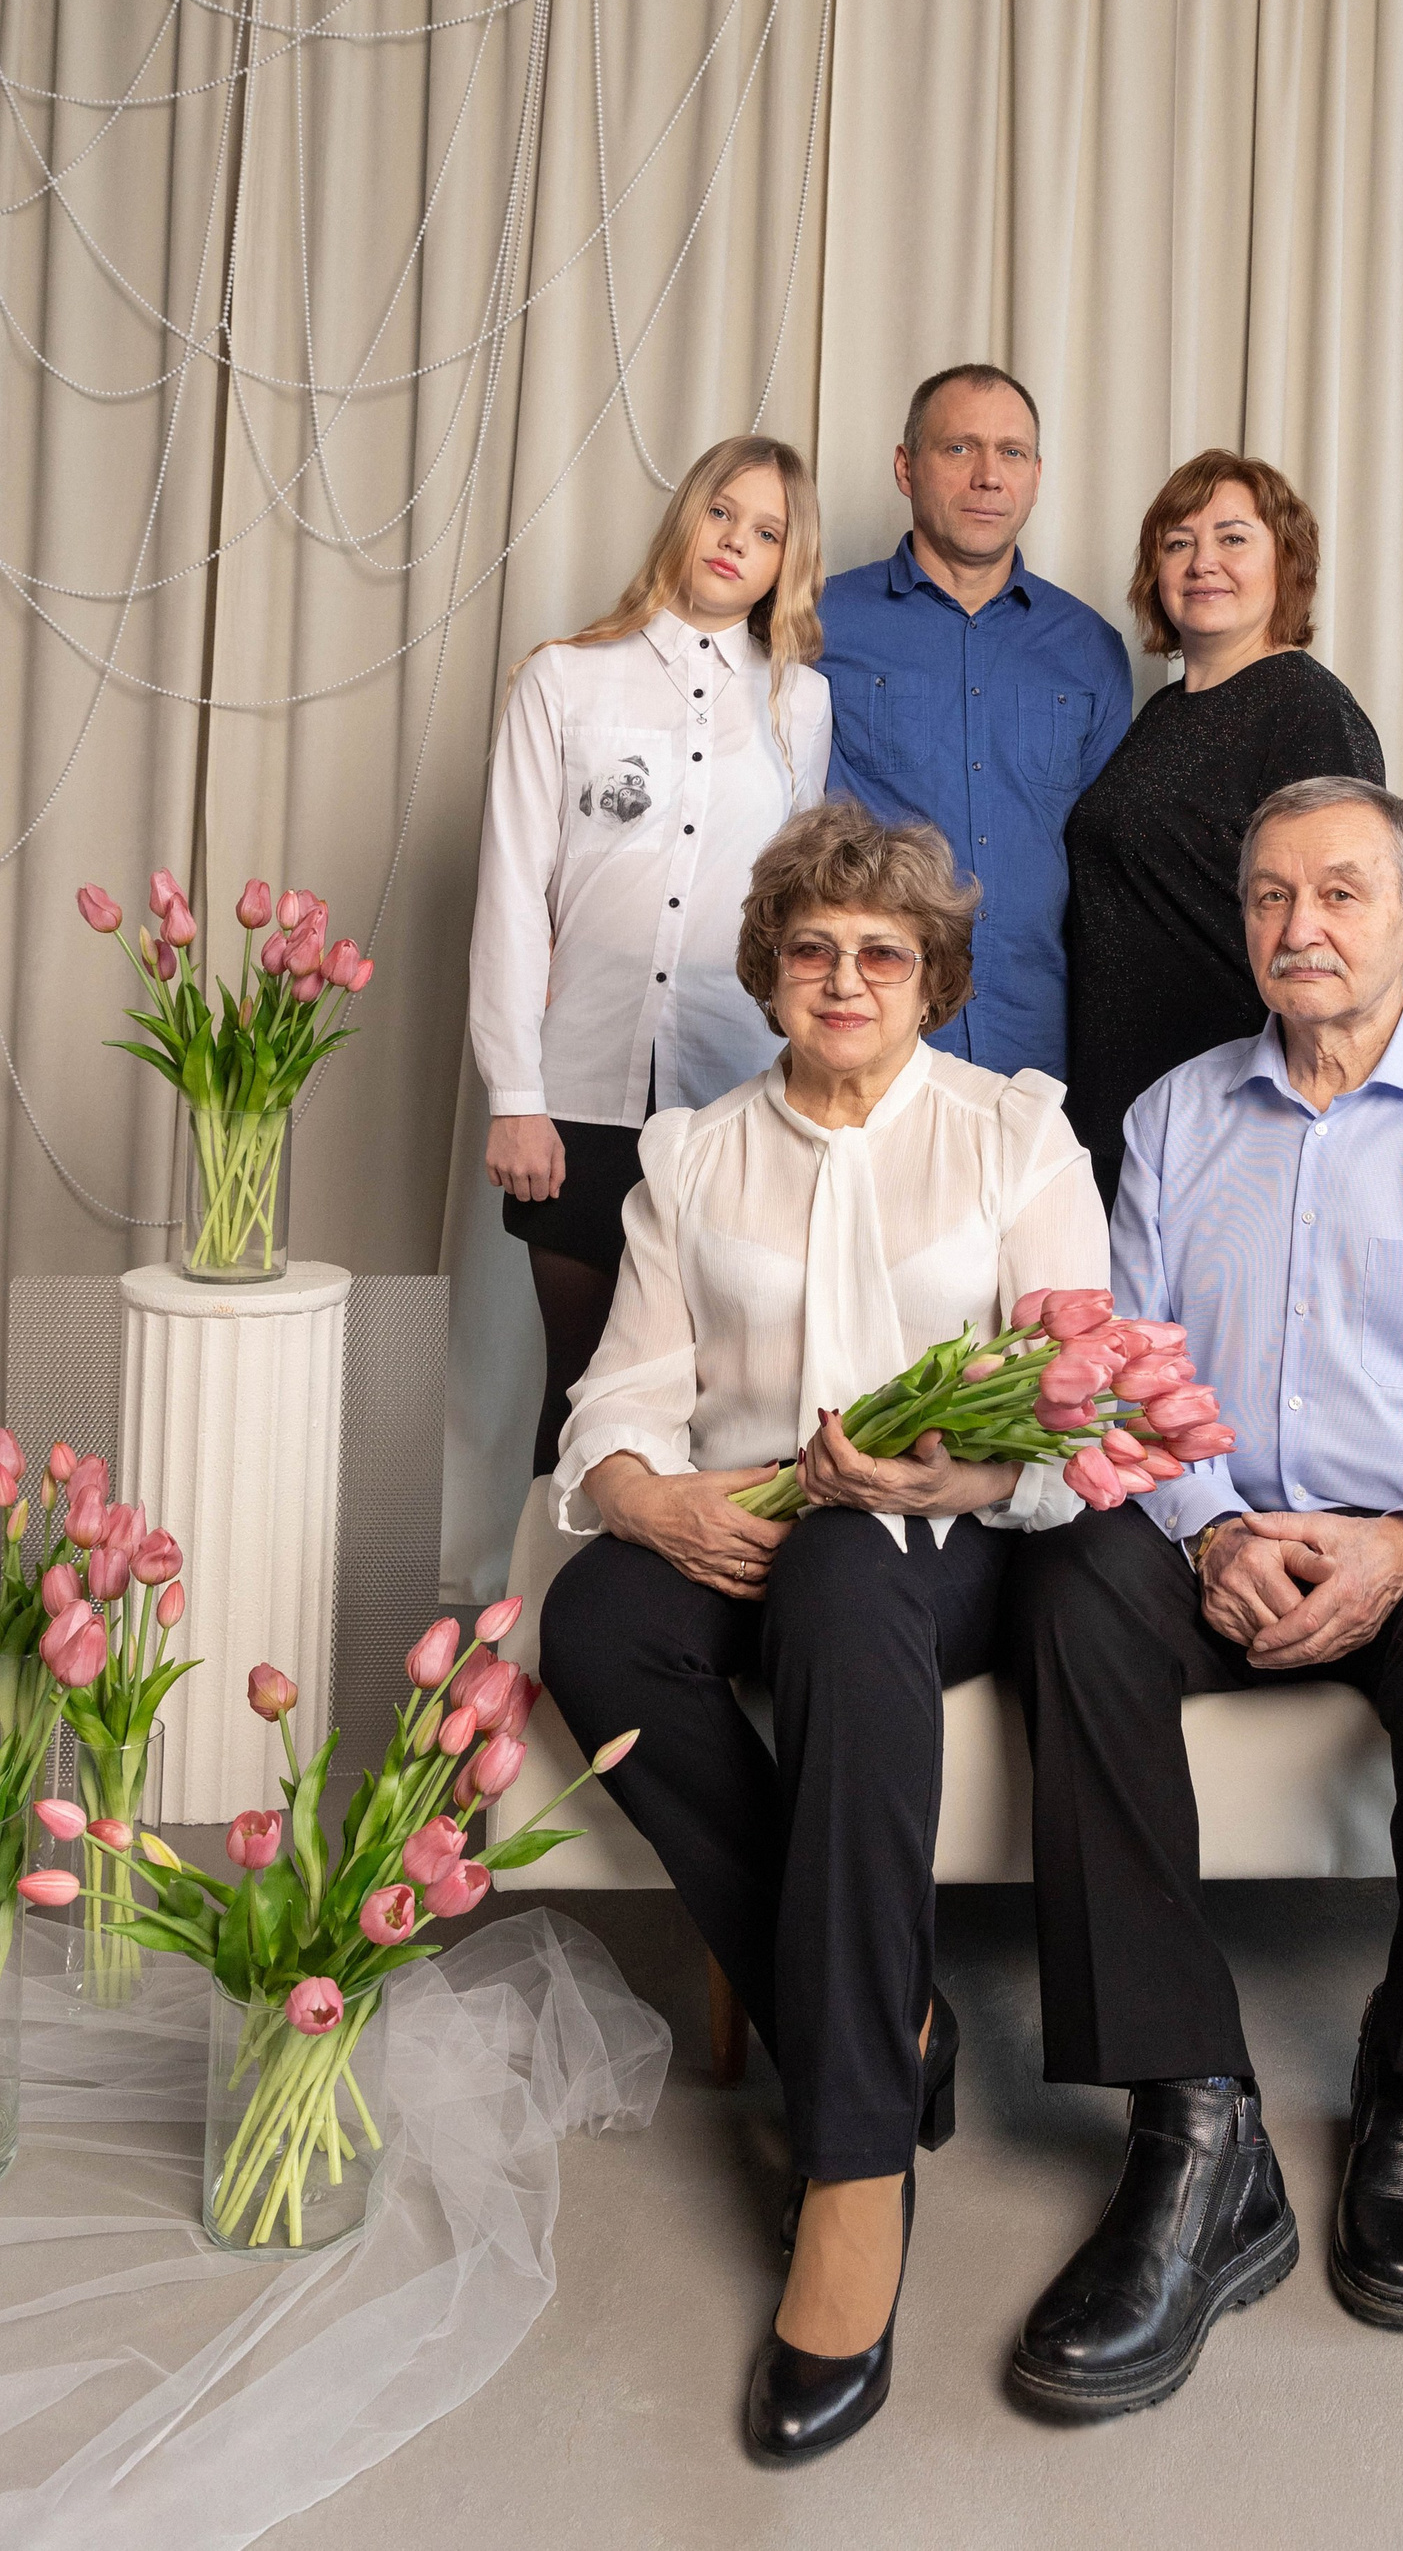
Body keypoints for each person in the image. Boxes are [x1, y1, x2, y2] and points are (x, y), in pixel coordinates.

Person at [1005, 775, 1403, 2417]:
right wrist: (1215, 1529)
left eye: (1342, 893)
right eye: (1270, 897)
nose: (1301, 927)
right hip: (1223, 1528)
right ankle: (1194, 2116)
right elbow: (1119, 1383)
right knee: (1070, 1579)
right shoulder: (1174, 1119)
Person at [537, 799, 1109, 2464]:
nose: (846, 979)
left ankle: (854, 2168)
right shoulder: (694, 1157)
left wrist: (949, 1472)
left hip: (952, 1542)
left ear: (934, 978)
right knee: (593, 1622)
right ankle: (887, 2017)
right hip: (748, 1522)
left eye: (883, 954)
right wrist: (653, 1501)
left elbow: (1077, 1404)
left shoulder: (1017, 1138)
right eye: (813, 950)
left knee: (854, 1569)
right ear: (768, 971)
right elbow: (623, 1396)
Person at [470, 437, 830, 1477]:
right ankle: (542, 1586)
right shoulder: (565, 679)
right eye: (722, 512)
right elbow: (510, 893)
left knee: (723, 1397)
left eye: (768, 532)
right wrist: (516, 1095)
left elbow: (794, 909)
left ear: (786, 563)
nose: (736, 542)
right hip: (579, 1091)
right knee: (583, 1387)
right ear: (686, 516)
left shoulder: (799, 702)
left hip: (734, 1096)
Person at [1066, 452, 1385, 1210]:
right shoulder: (1162, 712)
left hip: (1237, 1108)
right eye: (1178, 543)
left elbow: (1340, 931)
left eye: (1233, 538)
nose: (1202, 561)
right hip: (1127, 1092)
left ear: (1286, 562)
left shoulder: (1308, 714)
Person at [818, 363, 1133, 1084]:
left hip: (1039, 1051)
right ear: (906, 467)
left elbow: (1106, 868)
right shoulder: (818, 624)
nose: (989, 476)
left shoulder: (1090, 649)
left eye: (1011, 453)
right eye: (959, 448)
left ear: (1036, 476)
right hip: (868, 1043)